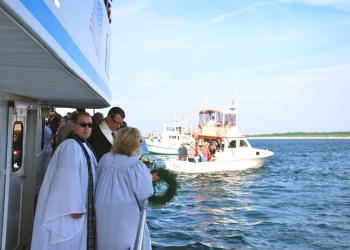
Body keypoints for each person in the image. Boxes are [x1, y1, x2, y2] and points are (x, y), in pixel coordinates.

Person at [31, 112, 97, 250]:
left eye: (90, 125)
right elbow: (66, 178)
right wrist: (74, 207)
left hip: (78, 206)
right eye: (83, 124)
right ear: (74, 126)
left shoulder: (82, 145)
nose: (87, 128)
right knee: (66, 242)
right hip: (68, 210)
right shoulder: (70, 146)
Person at [95, 127, 159, 250]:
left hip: (102, 208)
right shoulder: (135, 164)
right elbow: (145, 192)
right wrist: (151, 179)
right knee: (125, 241)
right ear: (134, 143)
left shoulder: (105, 158)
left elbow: (97, 179)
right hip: (124, 212)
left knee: (104, 239)